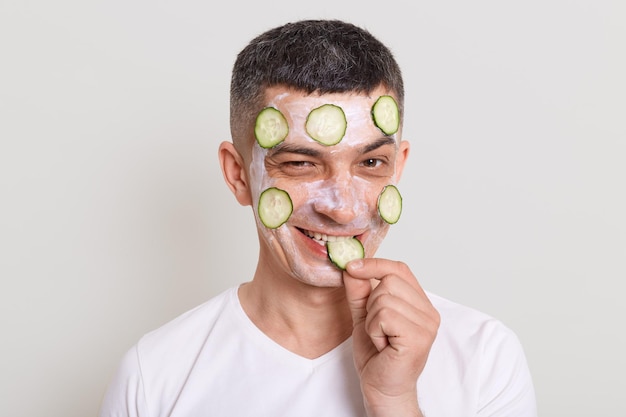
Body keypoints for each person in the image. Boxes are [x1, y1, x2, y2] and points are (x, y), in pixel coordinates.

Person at [99, 19, 537, 417]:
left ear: (398, 166)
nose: (342, 207)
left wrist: (394, 401)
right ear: (238, 176)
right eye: (299, 164)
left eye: (370, 164)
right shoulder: (154, 375)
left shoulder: (484, 357)